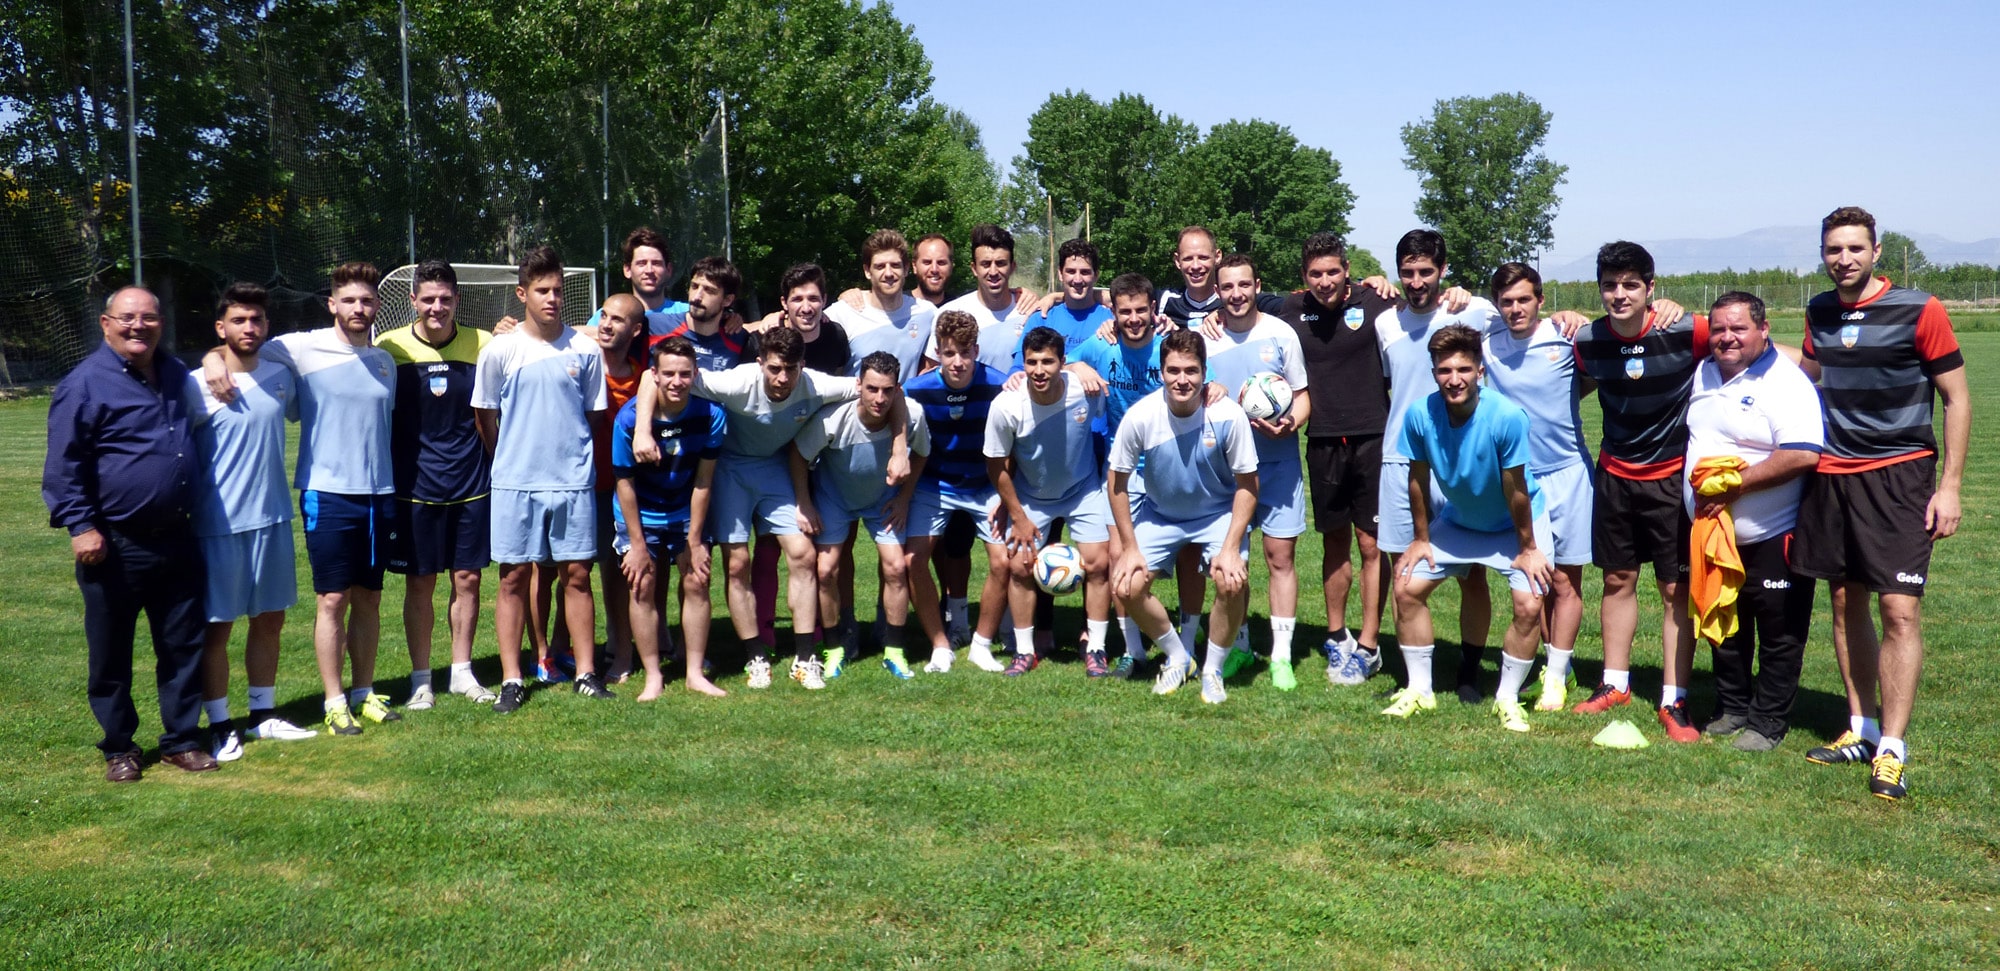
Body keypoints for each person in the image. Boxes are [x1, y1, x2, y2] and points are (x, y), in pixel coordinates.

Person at [1794, 206, 1969, 800]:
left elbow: (1958, 399)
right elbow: (1807, 374)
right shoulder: (1818, 310)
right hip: (1832, 476)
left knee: (1900, 611)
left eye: (1854, 248)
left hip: (1899, 477)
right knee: (1845, 604)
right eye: (1833, 249)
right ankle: (1861, 728)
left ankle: (1892, 748)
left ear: (1876, 252)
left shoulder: (1921, 309)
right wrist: (1723, 342)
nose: (1843, 259)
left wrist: (1950, 486)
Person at [206, 261, 399, 735]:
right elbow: (238, 346)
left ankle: (363, 691)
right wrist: (212, 359)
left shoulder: (384, 362)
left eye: (367, 300)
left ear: (377, 306)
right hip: (326, 494)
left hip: (379, 495)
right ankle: (334, 702)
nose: (359, 308)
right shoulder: (298, 347)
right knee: (333, 599)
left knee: (370, 599)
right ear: (332, 304)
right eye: (349, 300)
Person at [44, 286, 218, 780]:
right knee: (111, 651)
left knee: (183, 646)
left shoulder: (174, 373)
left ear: (161, 323)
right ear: (106, 323)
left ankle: (181, 740)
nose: (138, 326)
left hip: (178, 538)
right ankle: (119, 747)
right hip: (113, 543)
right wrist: (81, 527)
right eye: (127, 318)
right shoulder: (84, 384)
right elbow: (63, 466)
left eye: (148, 318)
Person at [1384, 324, 1555, 733]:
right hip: (1460, 521)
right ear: (1434, 372)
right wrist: (1420, 540)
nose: (1454, 379)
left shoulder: (1506, 417)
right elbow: (1417, 479)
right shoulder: (1419, 415)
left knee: (1530, 604)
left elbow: (1516, 489)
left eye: (1463, 368)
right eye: (1444, 370)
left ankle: (1507, 698)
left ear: (1480, 371)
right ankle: (1420, 689)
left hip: (1514, 525)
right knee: (1406, 586)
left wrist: (1528, 548)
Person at [1571, 241, 1706, 741]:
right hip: (1616, 476)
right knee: (1616, 580)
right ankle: (1615, 683)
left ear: (1651, 288)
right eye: (1610, 285)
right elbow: (1573, 378)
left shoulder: (1687, 330)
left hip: (1672, 479)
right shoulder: (1587, 340)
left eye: (1631, 285)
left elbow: (1746, 344)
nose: (1619, 294)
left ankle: (1674, 699)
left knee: (1674, 589)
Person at [472, 246, 611, 713]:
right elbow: (484, 414)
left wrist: (569, 457)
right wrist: (508, 459)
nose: (552, 298)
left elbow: (592, 417)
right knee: (512, 577)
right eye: (542, 290)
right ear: (522, 294)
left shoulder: (586, 349)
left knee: (577, 575)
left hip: (572, 482)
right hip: (515, 482)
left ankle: (587, 673)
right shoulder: (501, 350)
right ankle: (513, 678)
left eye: (558, 290)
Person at [1683, 292, 1823, 752]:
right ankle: (1733, 707)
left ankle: (1767, 722)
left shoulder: (1786, 382)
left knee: (1779, 632)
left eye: (1738, 328)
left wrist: (1734, 485)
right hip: (1712, 533)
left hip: (1772, 532)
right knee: (1724, 622)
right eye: (1719, 328)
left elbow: (1802, 453)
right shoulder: (1704, 371)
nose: (1727, 337)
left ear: (1764, 330)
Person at [187, 283, 314, 761]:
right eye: (238, 320)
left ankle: (263, 716)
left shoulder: (282, 377)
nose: (249, 327)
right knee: (217, 628)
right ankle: (221, 724)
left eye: (256, 319)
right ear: (221, 328)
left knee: (270, 622)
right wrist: (212, 360)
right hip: (217, 526)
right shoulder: (195, 383)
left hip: (273, 520)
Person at [1372, 230, 1501, 702]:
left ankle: (1469, 670)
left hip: (1460, 461)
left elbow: (1527, 321)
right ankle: (1415, 679)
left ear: (1443, 271)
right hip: (1400, 458)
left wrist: (1566, 315)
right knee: (1403, 572)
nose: (1416, 280)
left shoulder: (1471, 310)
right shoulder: (1385, 323)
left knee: (1474, 573)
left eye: (1426, 271)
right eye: (1407, 272)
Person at [1273, 233, 1399, 687]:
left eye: (1332, 271)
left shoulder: (1378, 301)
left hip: (1373, 437)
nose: (1325, 281)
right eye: (1315, 274)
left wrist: (1387, 283)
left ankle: (1369, 645)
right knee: (1333, 543)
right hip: (1323, 439)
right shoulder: (1289, 309)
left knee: (1371, 544)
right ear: (1303, 277)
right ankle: (1336, 637)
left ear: (1346, 269)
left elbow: (1428, 307)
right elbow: (1234, 303)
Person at [1108, 330, 1261, 704]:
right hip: (1161, 516)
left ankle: (1213, 669)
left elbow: (1249, 485)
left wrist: (1229, 548)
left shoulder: (1227, 415)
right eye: (1173, 370)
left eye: (1191, 371)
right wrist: (1128, 548)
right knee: (1126, 585)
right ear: (1160, 371)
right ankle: (1179, 657)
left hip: (1217, 515)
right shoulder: (1141, 416)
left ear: (1205, 371)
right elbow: (1117, 482)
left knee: (1230, 580)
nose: (1182, 380)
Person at [375, 259, 496, 709]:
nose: (437, 307)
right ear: (413, 301)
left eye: (446, 298)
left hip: (471, 482)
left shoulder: (483, 343)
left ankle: (462, 673)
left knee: (467, 578)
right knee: (421, 583)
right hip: (415, 486)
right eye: (428, 299)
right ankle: (422, 680)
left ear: (457, 300)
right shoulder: (389, 347)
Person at [1481, 263, 1594, 712]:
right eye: (1506, 301)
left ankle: (1556, 675)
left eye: (1523, 299)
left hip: (1569, 472)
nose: (1515, 309)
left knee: (1566, 580)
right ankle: (1551, 663)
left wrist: (1578, 317)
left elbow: (1590, 376)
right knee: (1535, 580)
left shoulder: (1566, 336)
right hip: (1519, 480)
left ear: (1540, 300)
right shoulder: (1488, 344)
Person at [1202, 253, 1311, 690]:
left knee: (1280, 558)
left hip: (1279, 460)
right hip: (1227, 470)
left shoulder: (1280, 333)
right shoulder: (1205, 337)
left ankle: (1281, 656)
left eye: (1243, 285)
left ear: (1257, 284)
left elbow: (1302, 396)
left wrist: (1291, 422)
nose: (1236, 294)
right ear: (1217, 291)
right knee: (1233, 562)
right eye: (1227, 287)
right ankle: (1240, 647)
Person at [793, 352, 931, 679]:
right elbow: (798, 457)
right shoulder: (833, 418)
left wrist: (904, 499)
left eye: (886, 390)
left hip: (882, 500)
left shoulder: (912, 414)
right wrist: (804, 503)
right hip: (834, 499)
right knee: (826, 570)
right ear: (859, 385)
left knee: (897, 566)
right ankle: (836, 646)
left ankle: (894, 650)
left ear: (897, 390)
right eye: (872, 389)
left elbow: (923, 453)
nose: (879, 398)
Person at [985, 326, 1111, 676]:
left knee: (1099, 564)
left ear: (1062, 362)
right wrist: (1018, 515)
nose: (1039, 370)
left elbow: (1110, 407)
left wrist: (1081, 370)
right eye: (1031, 362)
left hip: (1083, 490)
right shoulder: (1007, 406)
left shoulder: (1083, 391)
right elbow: (996, 465)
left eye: (1048, 362)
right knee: (1020, 568)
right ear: (1022, 364)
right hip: (1032, 497)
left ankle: (1097, 649)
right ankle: (1025, 653)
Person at [612, 337, 727, 699]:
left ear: (695, 374)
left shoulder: (711, 415)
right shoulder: (629, 419)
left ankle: (694, 671)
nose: (677, 381)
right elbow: (624, 484)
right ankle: (652, 676)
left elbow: (704, 480)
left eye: (684, 374)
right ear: (654, 376)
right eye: (669, 374)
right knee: (642, 585)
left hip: (683, 510)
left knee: (697, 581)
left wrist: (695, 540)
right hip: (640, 513)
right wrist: (637, 544)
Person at [904, 311, 1018, 673]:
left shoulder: (999, 386)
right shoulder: (916, 390)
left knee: (1003, 562)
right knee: (913, 560)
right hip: (933, 483)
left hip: (985, 485)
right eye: (949, 353)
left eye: (965, 353)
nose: (958, 362)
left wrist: (1003, 495)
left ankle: (981, 645)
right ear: (937, 352)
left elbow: (1011, 445)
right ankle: (940, 645)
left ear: (976, 351)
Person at [1070, 273, 1168, 677]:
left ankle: (1189, 635)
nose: (1133, 318)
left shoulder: (1168, 346)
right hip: (1122, 471)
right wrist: (1078, 365)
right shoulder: (1100, 346)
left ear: (1152, 310)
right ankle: (1133, 651)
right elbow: (1061, 359)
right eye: (1124, 311)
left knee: (1185, 559)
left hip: (1170, 468)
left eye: (1141, 310)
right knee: (1117, 558)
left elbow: (1205, 378)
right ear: (1112, 312)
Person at [825, 228, 936, 382]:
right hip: (855, 405)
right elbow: (803, 327)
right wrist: (780, 318)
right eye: (880, 266)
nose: (889, 273)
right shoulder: (844, 313)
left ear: (906, 269)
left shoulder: (927, 313)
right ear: (867, 271)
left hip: (905, 405)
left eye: (895, 265)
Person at [932, 224, 1037, 374]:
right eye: (986, 264)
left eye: (1000, 263)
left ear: (1012, 267)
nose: (993, 271)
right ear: (974, 268)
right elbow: (931, 373)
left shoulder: (1030, 310)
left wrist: (1054, 296)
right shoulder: (950, 313)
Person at [587, 226, 691, 336]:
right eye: (641, 263)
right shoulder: (606, 316)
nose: (649, 270)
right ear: (627, 270)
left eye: (656, 263)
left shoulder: (687, 314)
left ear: (668, 270)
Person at [650, 256, 747, 373]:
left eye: (709, 290)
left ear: (727, 300)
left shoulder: (740, 340)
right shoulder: (654, 326)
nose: (697, 297)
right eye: (694, 286)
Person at [1018, 238, 1111, 358]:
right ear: (1060, 274)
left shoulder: (1111, 320)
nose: (1077, 279)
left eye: (1085, 272)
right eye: (1071, 272)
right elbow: (1019, 369)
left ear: (1096, 276)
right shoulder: (1041, 319)